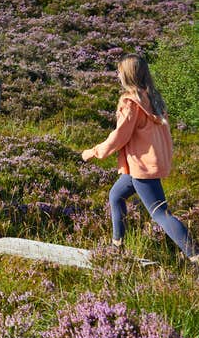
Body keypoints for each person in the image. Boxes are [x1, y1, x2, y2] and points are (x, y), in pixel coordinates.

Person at [82, 54, 198, 265]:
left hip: (142, 165)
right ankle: (117, 247)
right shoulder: (152, 98)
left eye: (119, 71)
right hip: (146, 163)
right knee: (116, 195)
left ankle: (195, 255)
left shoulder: (131, 102)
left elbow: (120, 136)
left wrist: (94, 151)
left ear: (127, 74)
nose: (117, 74)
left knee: (160, 213)